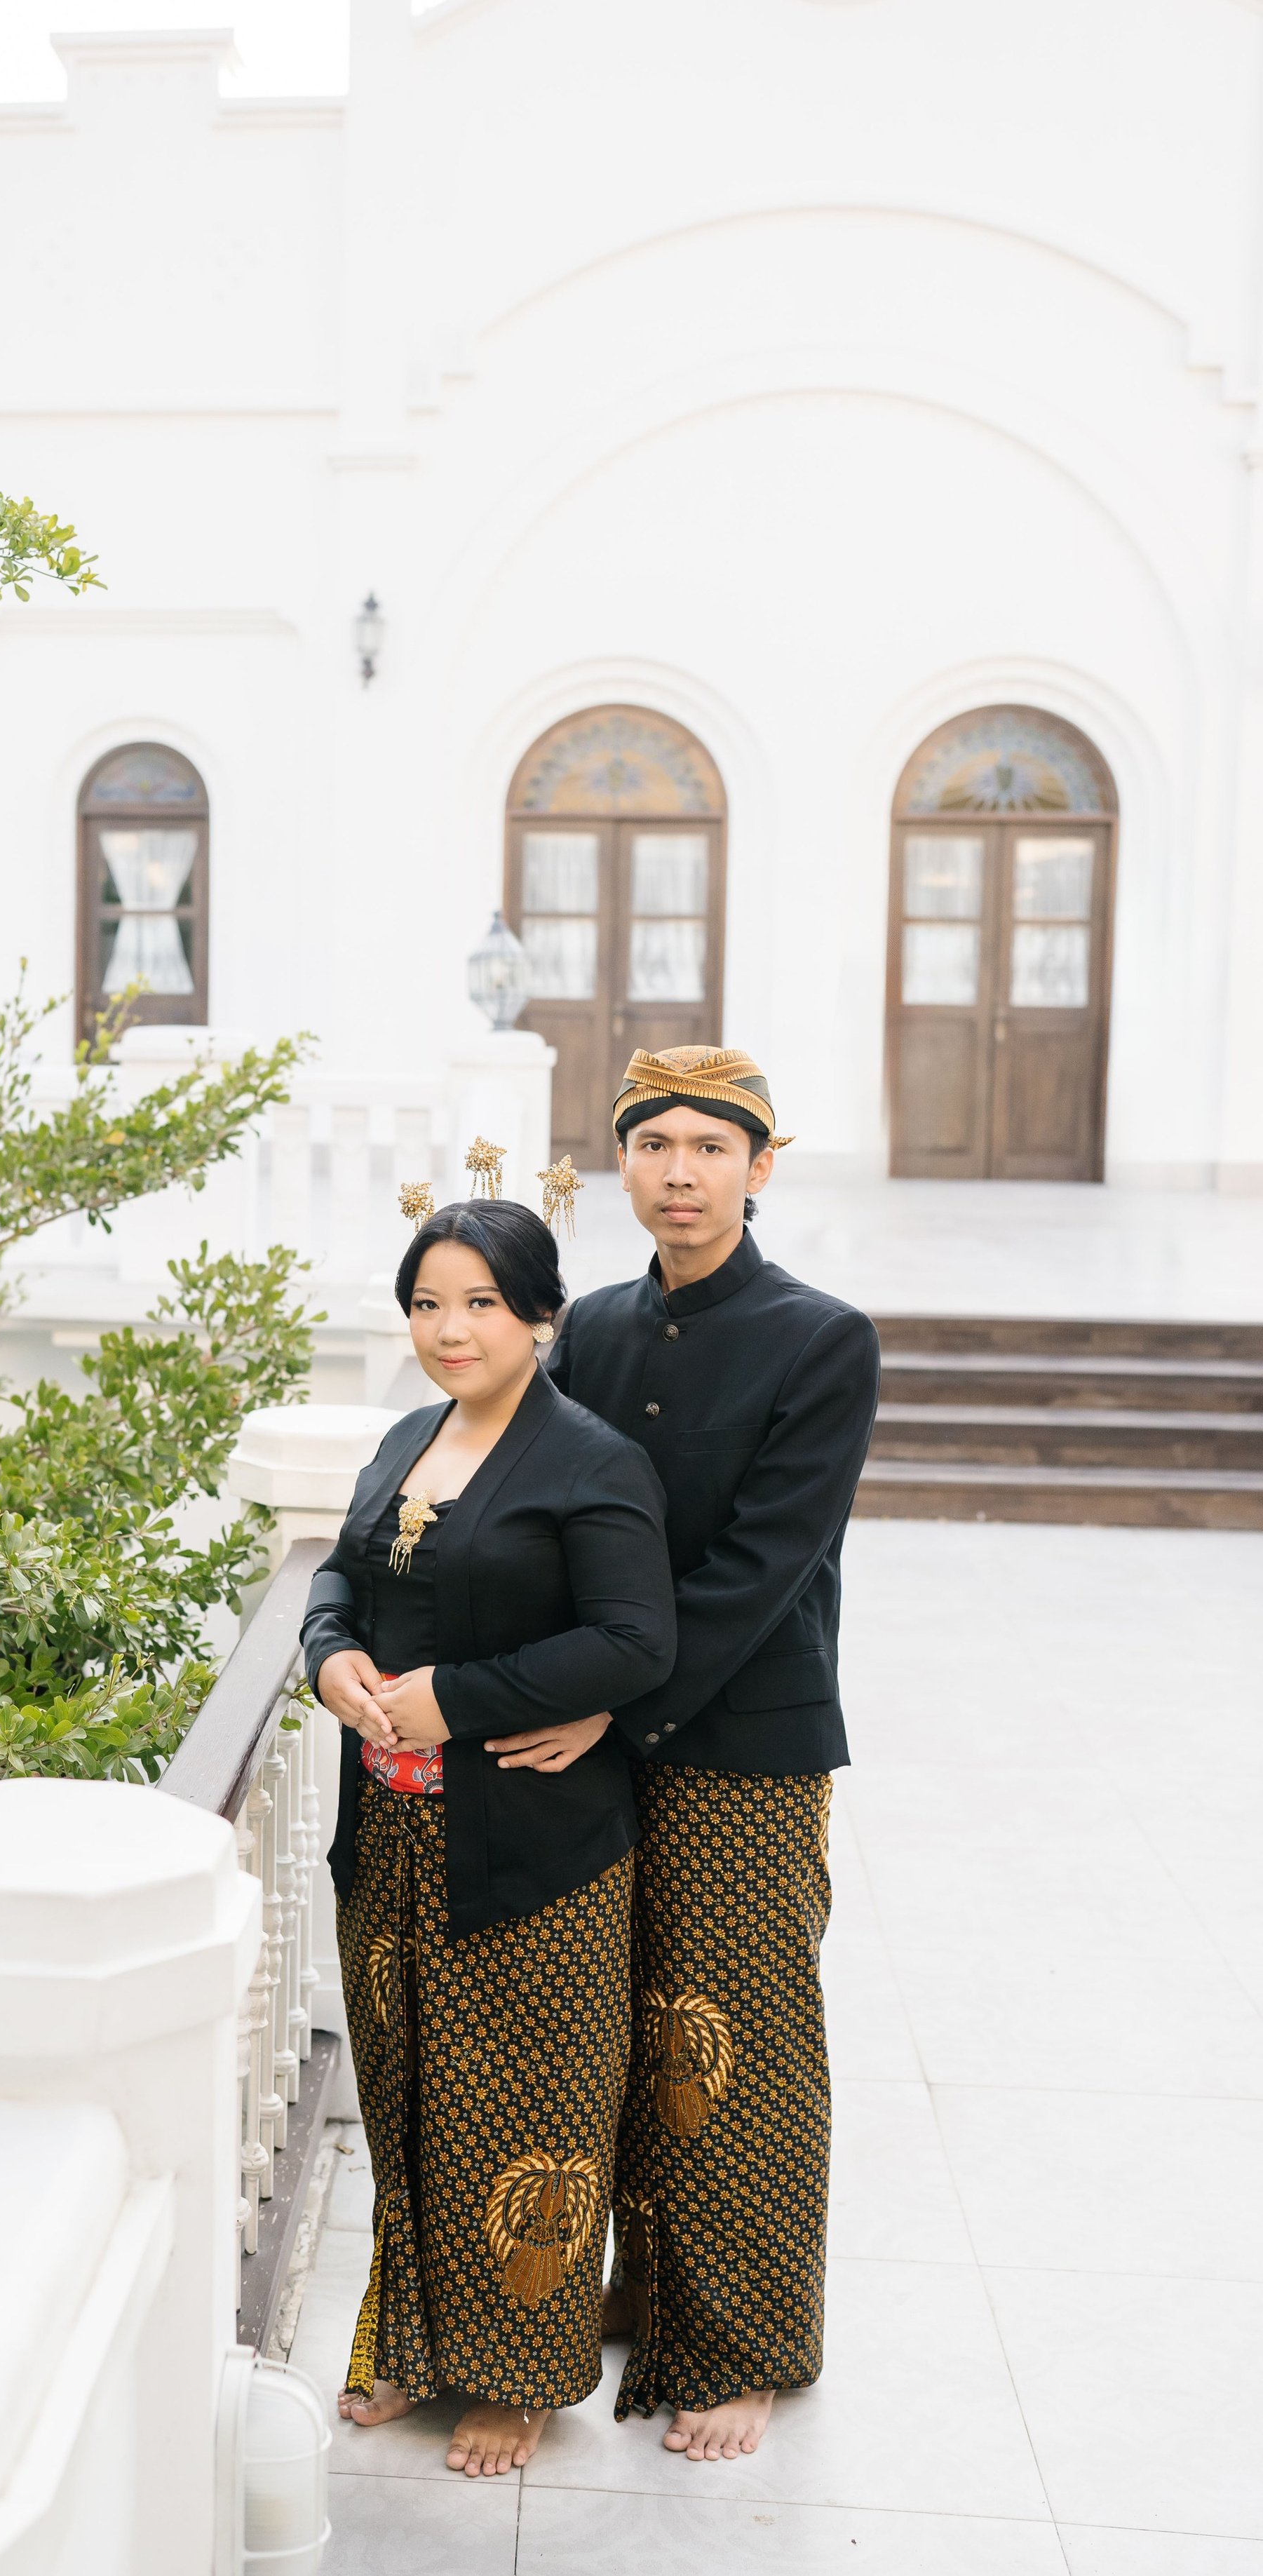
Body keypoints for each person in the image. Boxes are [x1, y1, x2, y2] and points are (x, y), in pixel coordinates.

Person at [486, 1044, 879, 2464]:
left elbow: (759, 1565)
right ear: (622, 1167)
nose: (679, 1172)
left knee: (732, 2039)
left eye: (710, 1147)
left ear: (759, 1170)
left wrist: (605, 1701)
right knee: (605, 2022)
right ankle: (639, 2285)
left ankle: (748, 2340)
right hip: (590, 1731)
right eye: (653, 1145)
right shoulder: (584, 1328)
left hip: (740, 1740)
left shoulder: (819, 1338)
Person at [302, 1198, 675, 2479]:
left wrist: (456, 1697)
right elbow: (341, 1573)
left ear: (540, 1315)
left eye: (478, 1302)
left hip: (533, 1847)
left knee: (525, 2106)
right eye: (426, 1302)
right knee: (406, 2102)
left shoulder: (588, 1458)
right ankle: (407, 2341)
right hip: (391, 1838)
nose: (449, 1329)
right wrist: (331, 1655)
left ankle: (520, 2375)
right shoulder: (408, 1436)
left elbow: (635, 1641)